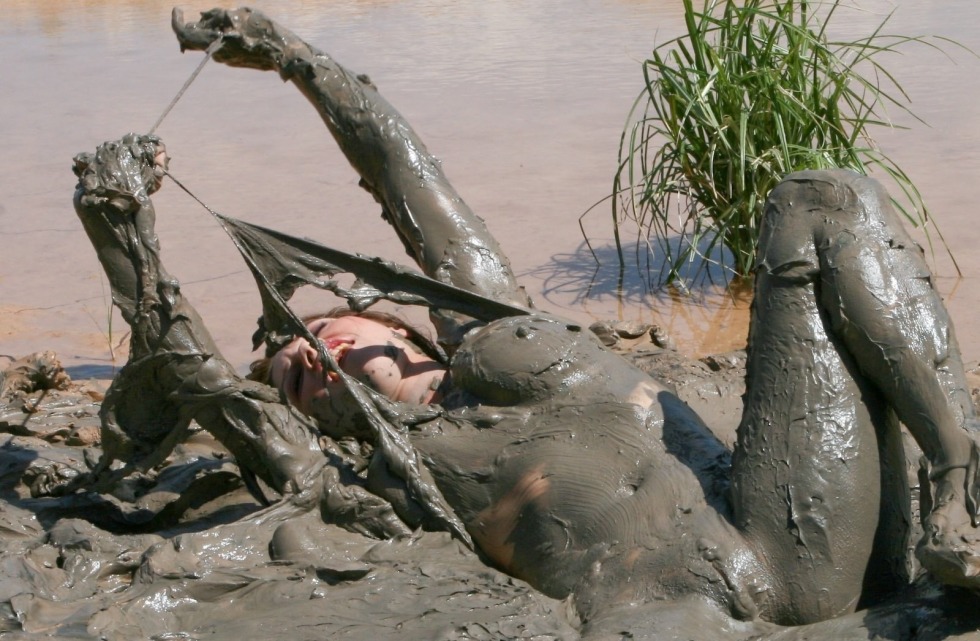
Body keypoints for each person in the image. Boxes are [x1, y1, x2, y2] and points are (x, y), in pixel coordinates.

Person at [69, 6, 980, 633]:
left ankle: (960, 484)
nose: (300, 359)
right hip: (737, 594)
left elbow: (405, 174)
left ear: (390, 321)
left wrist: (291, 54)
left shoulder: (493, 322)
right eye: (288, 377)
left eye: (313, 334)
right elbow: (192, 372)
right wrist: (118, 226)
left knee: (821, 199)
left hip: (814, 515)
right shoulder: (369, 471)